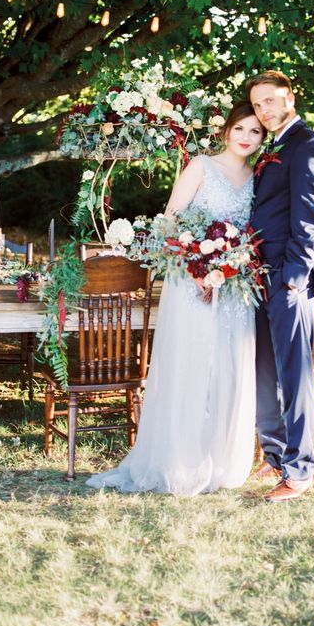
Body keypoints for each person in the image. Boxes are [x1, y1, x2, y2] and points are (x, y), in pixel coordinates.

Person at [86, 101, 266, 495]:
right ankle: (178, 460)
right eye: (240, 129)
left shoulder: (257, 177)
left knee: (228, 369)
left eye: (255, 132)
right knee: (191, 366)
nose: (246, 138)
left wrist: (231, 266)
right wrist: (200, 271)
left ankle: (220, 462)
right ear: (226, 130)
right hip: (191, 285)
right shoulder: (201, 166)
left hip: (234, 288)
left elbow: (252, 235)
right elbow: (172, 222)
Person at [247, 70, 314, 503]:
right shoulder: (272, 147)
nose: (265, 110)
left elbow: (310, 217)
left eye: (271, 101)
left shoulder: (308, 145)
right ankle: (275, 455)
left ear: (290, 99)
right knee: (265, 372)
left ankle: (299, 472)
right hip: (257, 275)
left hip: (288, 278)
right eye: (259, 104)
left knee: (294, 377)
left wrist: (295, 279)